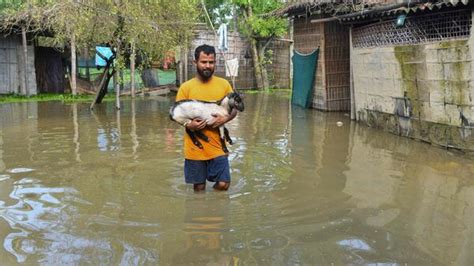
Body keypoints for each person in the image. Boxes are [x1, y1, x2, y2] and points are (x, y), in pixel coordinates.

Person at [176, 44, 238, 192]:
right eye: (204, 62)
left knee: (223, 184)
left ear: (215, 63)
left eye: (211, 62)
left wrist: (225, 119)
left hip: (218, 146)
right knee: (199, 188)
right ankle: (202, 212)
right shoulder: (186, 88)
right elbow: (177, 114)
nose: (208, 66)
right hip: (194, 147)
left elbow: (234, 109)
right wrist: (189, 125)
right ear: (195, 62)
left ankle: (215, 209)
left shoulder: (224, 85)